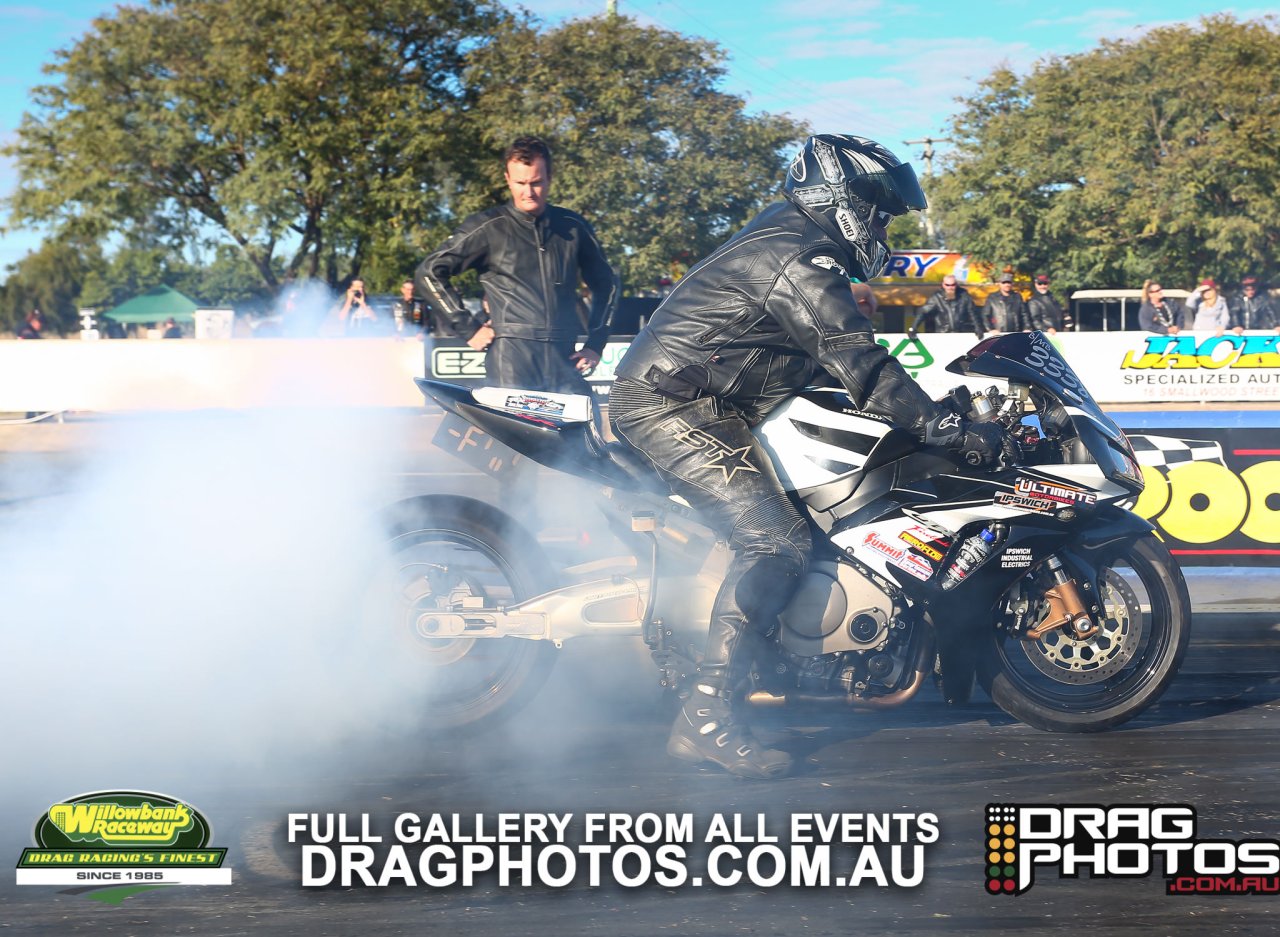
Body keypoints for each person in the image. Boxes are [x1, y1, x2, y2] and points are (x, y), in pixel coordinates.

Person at [609, 134, 1012, 779]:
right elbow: (863, 365)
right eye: (877, 205)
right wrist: (943, 426)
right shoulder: (800, 257)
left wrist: (934, 413)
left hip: (716, 398)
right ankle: (708, 715)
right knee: (774, 542)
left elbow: (826, 361)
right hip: (668, 402)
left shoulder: (797, 241)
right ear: (839, 195)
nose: (882, 222)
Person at [417, 135, 619, 396]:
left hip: (565, 359)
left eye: (536, 182)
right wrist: (468, 327)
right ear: (507, 179)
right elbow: (429, 271)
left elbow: (607, 284)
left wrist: (596, 343)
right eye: (520, 183)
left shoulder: (573, 225)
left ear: (549, 177)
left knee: (584, 431)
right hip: (511, 361)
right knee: (517, 437)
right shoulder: (488, 227)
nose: (528, 192)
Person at [917, 274, 982, 336]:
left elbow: (972, 312)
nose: (950, 287)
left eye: (952, 285)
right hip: (943, 334)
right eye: (947, 285)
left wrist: (978, 327)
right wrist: (913, 328)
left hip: (961, 333)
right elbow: (923, 311)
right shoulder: (937, 297)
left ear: (956, 285)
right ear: (943, 285)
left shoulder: (964, 295)